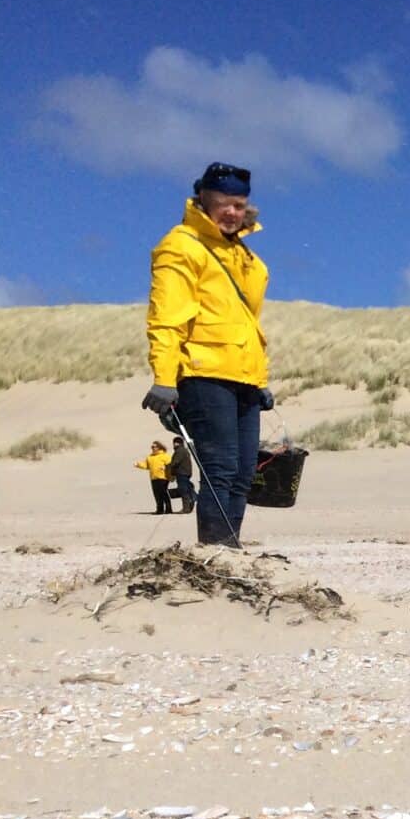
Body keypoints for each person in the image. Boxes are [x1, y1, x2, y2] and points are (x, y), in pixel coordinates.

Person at [142, 162, 273, 548]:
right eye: (223, 204)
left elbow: (244, 321)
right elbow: (166, 319)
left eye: (239, 204)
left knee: (245, 472)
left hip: (243, 376)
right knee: (220, 468)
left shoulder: (239, 251)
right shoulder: (181, 245)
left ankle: (229, 548)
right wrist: (165, 379)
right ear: (203, 199)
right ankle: (215, 550)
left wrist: (260, 382)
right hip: (202, 375)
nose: (232, 212)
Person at [135, 441, 175, 514]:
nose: (153, 448)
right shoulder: (150, 457)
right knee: (157, 494)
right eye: (152, 447)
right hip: (154, 478)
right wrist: (138, 465)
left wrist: (171, 475)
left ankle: (168, 509)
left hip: (163, 477)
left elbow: (170, 465)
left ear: (159, 447)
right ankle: (160, 509)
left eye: (154, 447)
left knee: (164, 493)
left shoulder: (165, 456)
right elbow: (146, 466)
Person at [169, 436, 195, 512]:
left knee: (184, 490)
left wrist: (169, 467)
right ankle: (190, 501)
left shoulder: (180, 451)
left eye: (174, 443)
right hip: (185, 472)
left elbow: (176, 462)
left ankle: (186, 508)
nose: (173, 444)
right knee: (186, 488)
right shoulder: (184, 450)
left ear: (177, 443)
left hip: (182, 473)